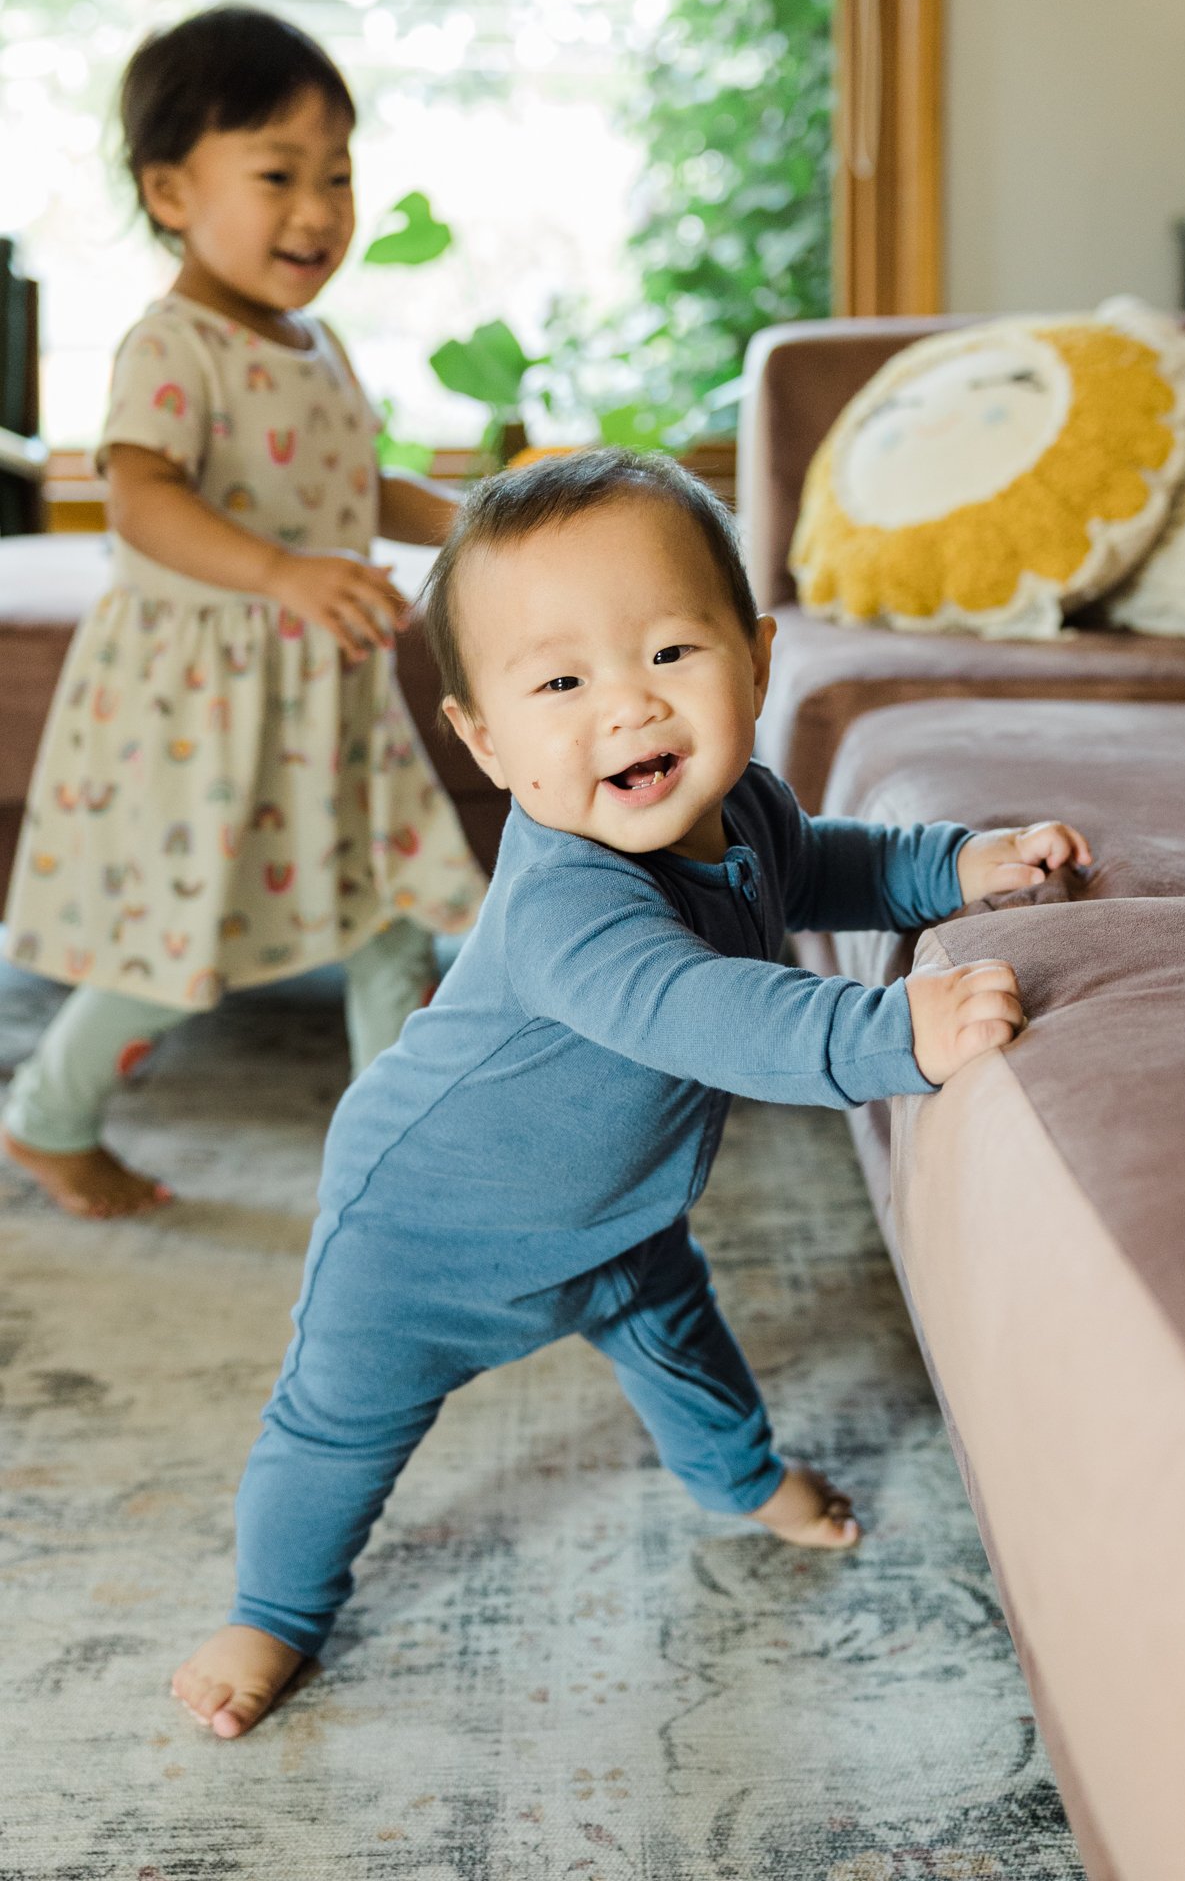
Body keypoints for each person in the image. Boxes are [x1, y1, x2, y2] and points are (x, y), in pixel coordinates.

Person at [171, 449, 1092, 1738]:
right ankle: (270, 1610)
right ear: (488, 742)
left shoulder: (747, 808)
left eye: (671, 654)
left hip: (615, 1212)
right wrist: (895, 1032)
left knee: (685, 1350)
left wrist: (961, 863)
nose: (628, 709)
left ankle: (741, 1480)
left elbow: (826, 867)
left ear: (757, 661)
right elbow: (709, 1012)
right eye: (561, 681)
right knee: (333, 1431)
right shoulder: (566, 904)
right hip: (426, 1229)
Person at [1, 7, 484, 1222]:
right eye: (278, 175)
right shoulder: (172, 343)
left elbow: (348, 486)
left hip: (328, 694)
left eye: (337, 176)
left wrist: (479, 517)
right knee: (174, 947)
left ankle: (399, 1162)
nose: (318, 210)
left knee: (389, 921)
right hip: (202, 710)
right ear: (171, 190)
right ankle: (46, 1119)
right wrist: (278, 574)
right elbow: (140, 499)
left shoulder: (317, 345)